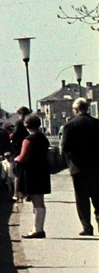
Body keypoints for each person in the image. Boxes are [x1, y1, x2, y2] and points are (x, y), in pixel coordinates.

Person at [61, 97, 99, 236]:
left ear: (76, 110)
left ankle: (87, 227)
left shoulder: (70, 125)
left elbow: (65, 146)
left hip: (78, 167)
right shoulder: (96, 123)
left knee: (81, 198)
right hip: (96, 167)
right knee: (97, 196)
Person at [16, 113, 52, 238]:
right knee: (40, 201)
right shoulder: (43, 138)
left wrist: (16, 158)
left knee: (36, 202)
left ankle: (38, 230)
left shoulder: (28, 140)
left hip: (31, 173)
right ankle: (38, 228)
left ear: (26, 125)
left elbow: (23, 158)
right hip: (42, 171)